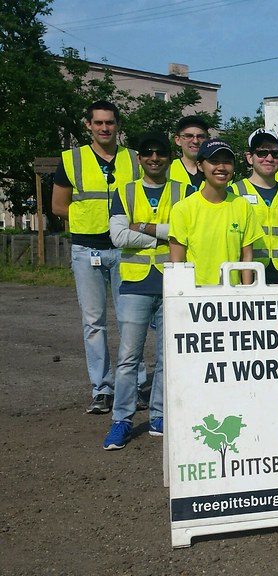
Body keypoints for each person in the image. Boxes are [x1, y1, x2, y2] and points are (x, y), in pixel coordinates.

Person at [50, 99, 141, 414]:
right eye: (99, 122)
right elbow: (58, 205)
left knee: (131, 319)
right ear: (88, 125)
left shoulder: (134, 159)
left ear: (117, 126)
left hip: (126, 248)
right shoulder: (72, 160)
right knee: (94, 322)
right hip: (87, 248)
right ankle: (102, 389)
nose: (105, 128)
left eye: (110, 122)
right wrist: (88, 221)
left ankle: (134, 385)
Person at [102, 133, 192, 449]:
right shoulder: (125, 192)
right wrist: (161, 237)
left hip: (172, 280)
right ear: (140, 158)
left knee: (169, 355)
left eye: (161, 153)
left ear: (169, 158)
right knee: (129, 356)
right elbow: (117, 237)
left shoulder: (184, 191)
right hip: (135, 283)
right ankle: (121, 421)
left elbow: (185, 231)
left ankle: (159, 415)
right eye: (149, 153)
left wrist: (141, 227)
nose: (155, 158)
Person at [168, 138, 262, 286]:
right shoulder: (183, 209)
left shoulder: (242, 205)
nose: (221, 167)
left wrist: (246, 293)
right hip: (197, 296)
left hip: (233, 294)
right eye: (214, 161)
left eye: (227, 161)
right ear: (200, 165)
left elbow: (247, 258)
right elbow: (177, 263)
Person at [227, 129, 278, 284]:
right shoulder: (232, 193)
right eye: (262, 153)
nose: (269, 158)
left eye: (275, 154)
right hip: (247, 274)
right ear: (250, 158)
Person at [169, 115, 209, 189]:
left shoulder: (217, 171)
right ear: (178, 140)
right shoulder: (166, 170)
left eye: (200, 136)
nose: (195, 141)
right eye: (189, 136)